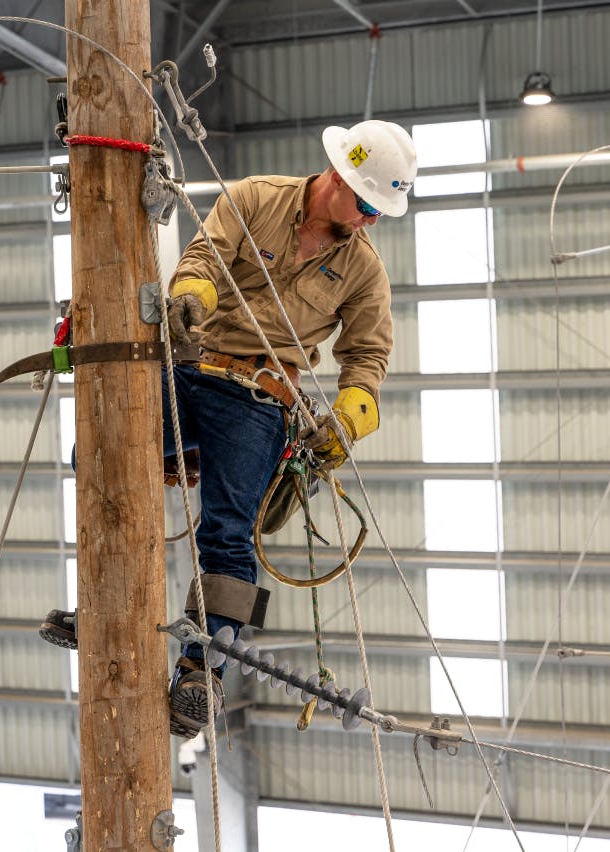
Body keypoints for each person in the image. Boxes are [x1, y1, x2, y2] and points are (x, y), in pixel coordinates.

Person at [41, 119, 418, 737]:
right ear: (340, 178)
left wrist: (350, 416)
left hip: (260, 401)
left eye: (382, 210)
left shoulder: (363, 270)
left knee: (227, 531)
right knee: (100, 453)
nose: (372, 219)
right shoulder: (253, 199)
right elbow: (202, 258)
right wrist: (191, 295)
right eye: (369, 204)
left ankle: (202, 672)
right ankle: (104, 607)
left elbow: (368, 356)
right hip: (190, 371)